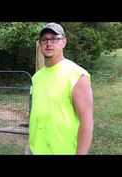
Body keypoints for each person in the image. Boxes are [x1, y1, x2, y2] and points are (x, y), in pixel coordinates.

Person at [27, 22, 94, 155]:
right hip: (35, 149)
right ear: (40, 44)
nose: (48, 43)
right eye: (44, 39)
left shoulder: (77, 75)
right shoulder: (36, 77)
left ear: (64, 42)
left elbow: (87, 121)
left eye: (54, 39)